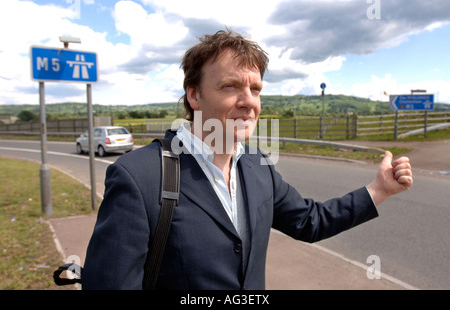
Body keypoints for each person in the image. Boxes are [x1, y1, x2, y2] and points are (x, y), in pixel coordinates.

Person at [82, 29, 413, 290]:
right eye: (230, 86)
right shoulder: (138, 176)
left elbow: (309, 222)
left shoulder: (258, 165)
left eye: (256, 89)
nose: (248, 102)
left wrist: (379, 189)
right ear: (194, 95)